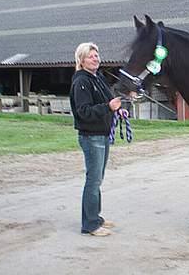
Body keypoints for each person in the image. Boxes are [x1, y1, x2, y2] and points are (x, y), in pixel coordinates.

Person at [69, 42, 123, 236]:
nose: (96, 58)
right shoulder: (81, 82)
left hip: (102, 134)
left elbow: (108, 101)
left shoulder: (97, 78)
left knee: (97, 179)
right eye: (91, 56)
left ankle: (95, 217)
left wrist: (118, 108)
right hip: (91, 137)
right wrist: (108, 107)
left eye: (97, 55)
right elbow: (83, 112)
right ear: (81, 60)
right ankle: (90, 224)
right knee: (93, 180)